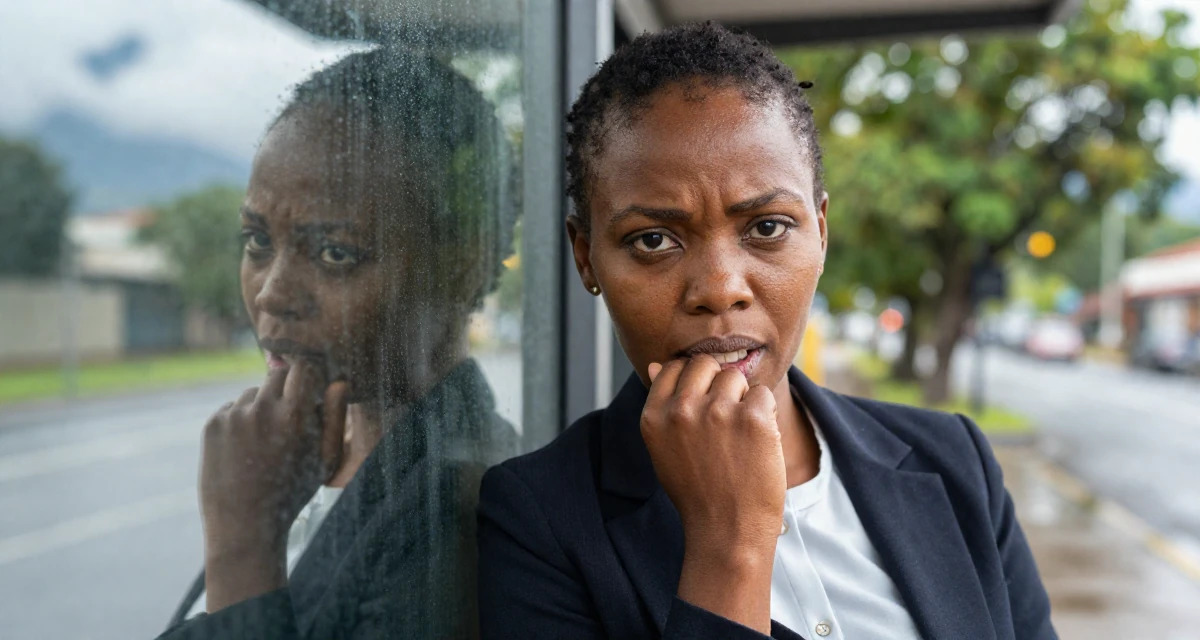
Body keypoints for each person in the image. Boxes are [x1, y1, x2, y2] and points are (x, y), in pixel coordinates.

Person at [477, 22, 1056, 640]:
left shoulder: (956, 462)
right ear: (587, 258)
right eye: (653, 240)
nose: (720, 288)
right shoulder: (539, 520)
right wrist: (730, 545)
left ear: (821, 234)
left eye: (768, 227)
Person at [158, 47, 518, 639]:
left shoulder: (458, 513)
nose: (272, 294)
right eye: (257, 241)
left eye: (335, 252)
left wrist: (244, 547)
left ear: (460, 265)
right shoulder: (301, 460)